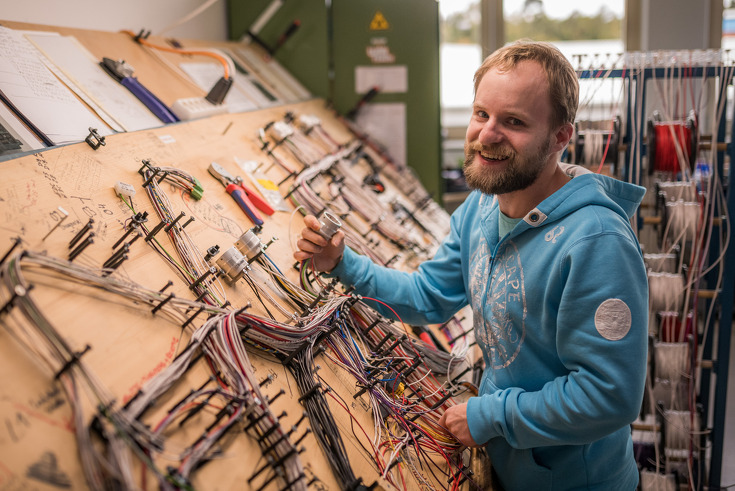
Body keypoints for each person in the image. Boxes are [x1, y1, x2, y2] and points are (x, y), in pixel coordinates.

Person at [295, 40, 648, 490]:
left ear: (561, 136)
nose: (487, 135)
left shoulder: (597, 242)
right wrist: (341, 262)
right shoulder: (482, 209)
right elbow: (428, 296)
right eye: (482, 114)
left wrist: (489, 415)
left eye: (514, 122)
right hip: (506, 465)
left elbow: (608, 396)